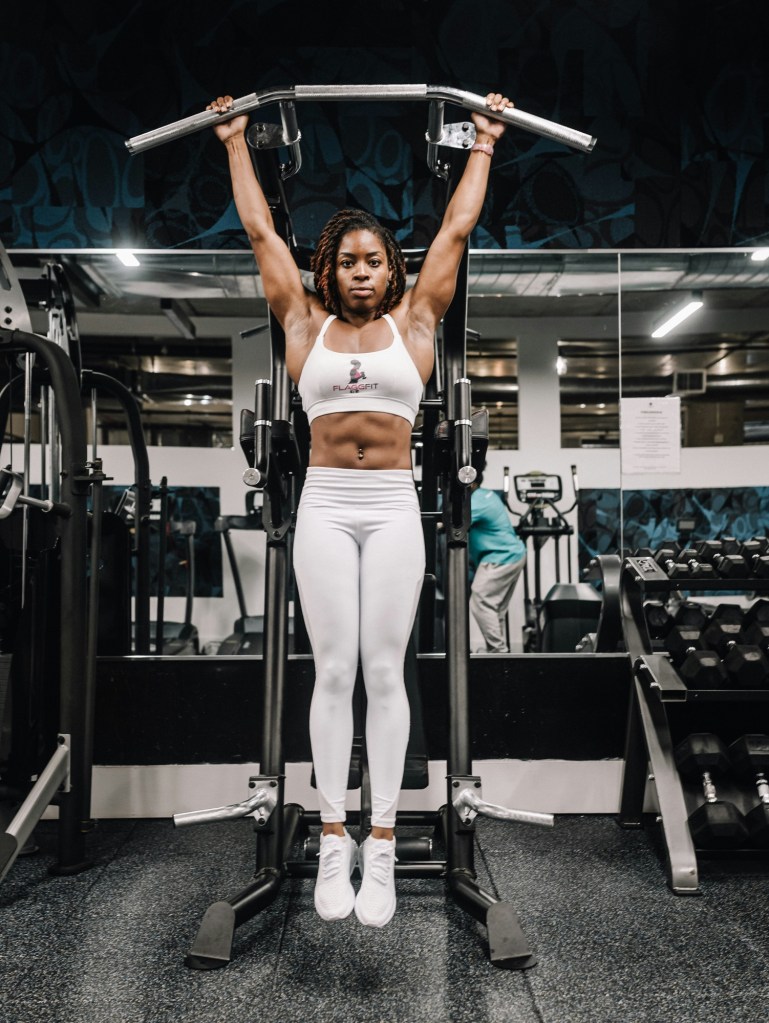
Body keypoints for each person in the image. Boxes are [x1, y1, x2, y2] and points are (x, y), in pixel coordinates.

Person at [207, 89, 513, 928]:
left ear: (391, 269)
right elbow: (260, 232)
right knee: (334, 670)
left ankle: (380, 841)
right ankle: (332, 835)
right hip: (325, 505)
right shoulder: (301, 325)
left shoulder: (416, 324)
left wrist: (485, 141)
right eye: (348, 261)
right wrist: (234, 142)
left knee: (384, 671)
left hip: (391, 507)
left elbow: (455, 230)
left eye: (374, 259)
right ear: (329, 270)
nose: (362, 271)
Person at [469, 469, 526, 652]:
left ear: (470, 483)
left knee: (480, 600)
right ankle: (497, 654)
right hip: (512, 554)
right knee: (494, 608)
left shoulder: (476, 499)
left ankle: (498, 651)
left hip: (501, 556)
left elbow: (452, 522)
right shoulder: (487, 495)